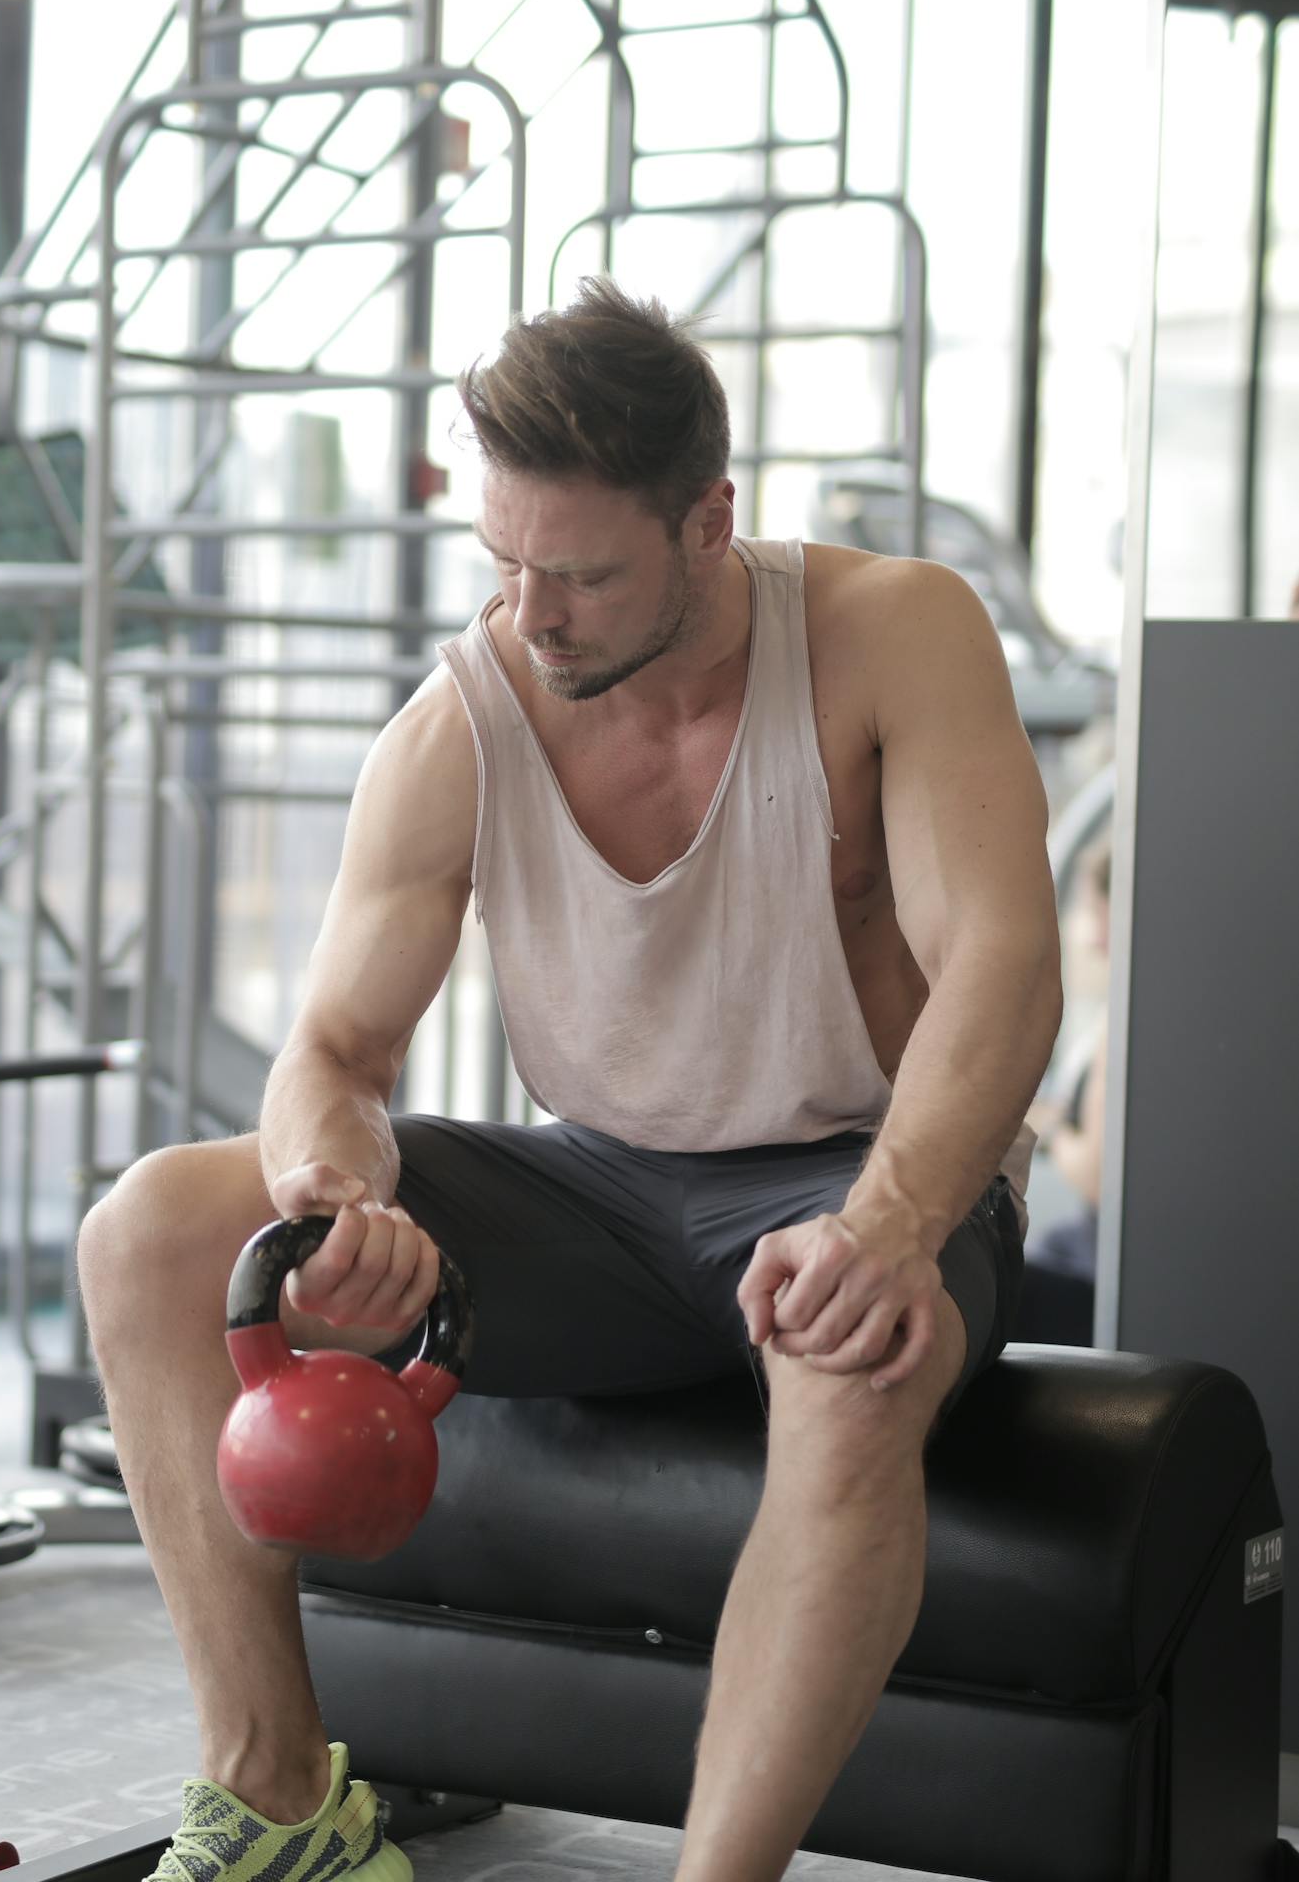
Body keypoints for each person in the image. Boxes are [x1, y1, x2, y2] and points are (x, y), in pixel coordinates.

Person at [76, 277, 1063, 1882]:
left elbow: (1008, 970)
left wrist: (887, 1228)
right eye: (507, 565)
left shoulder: (894, 632)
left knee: (852, 1363)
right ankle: (278, 1806)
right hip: (597, 1191)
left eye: (583, 574)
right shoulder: (466, 713)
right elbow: (330, 1051)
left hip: (854, 1175)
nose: (534, 615)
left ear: (708, 523)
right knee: (153, 1227)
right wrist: (340, 1192)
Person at [1025, 842, 1110, 1278]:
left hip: (1097, 1256)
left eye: (1095, 910)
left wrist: (1054, 1133)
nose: (1090, 934)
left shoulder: (1120, 1027)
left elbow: (1098, 1177)